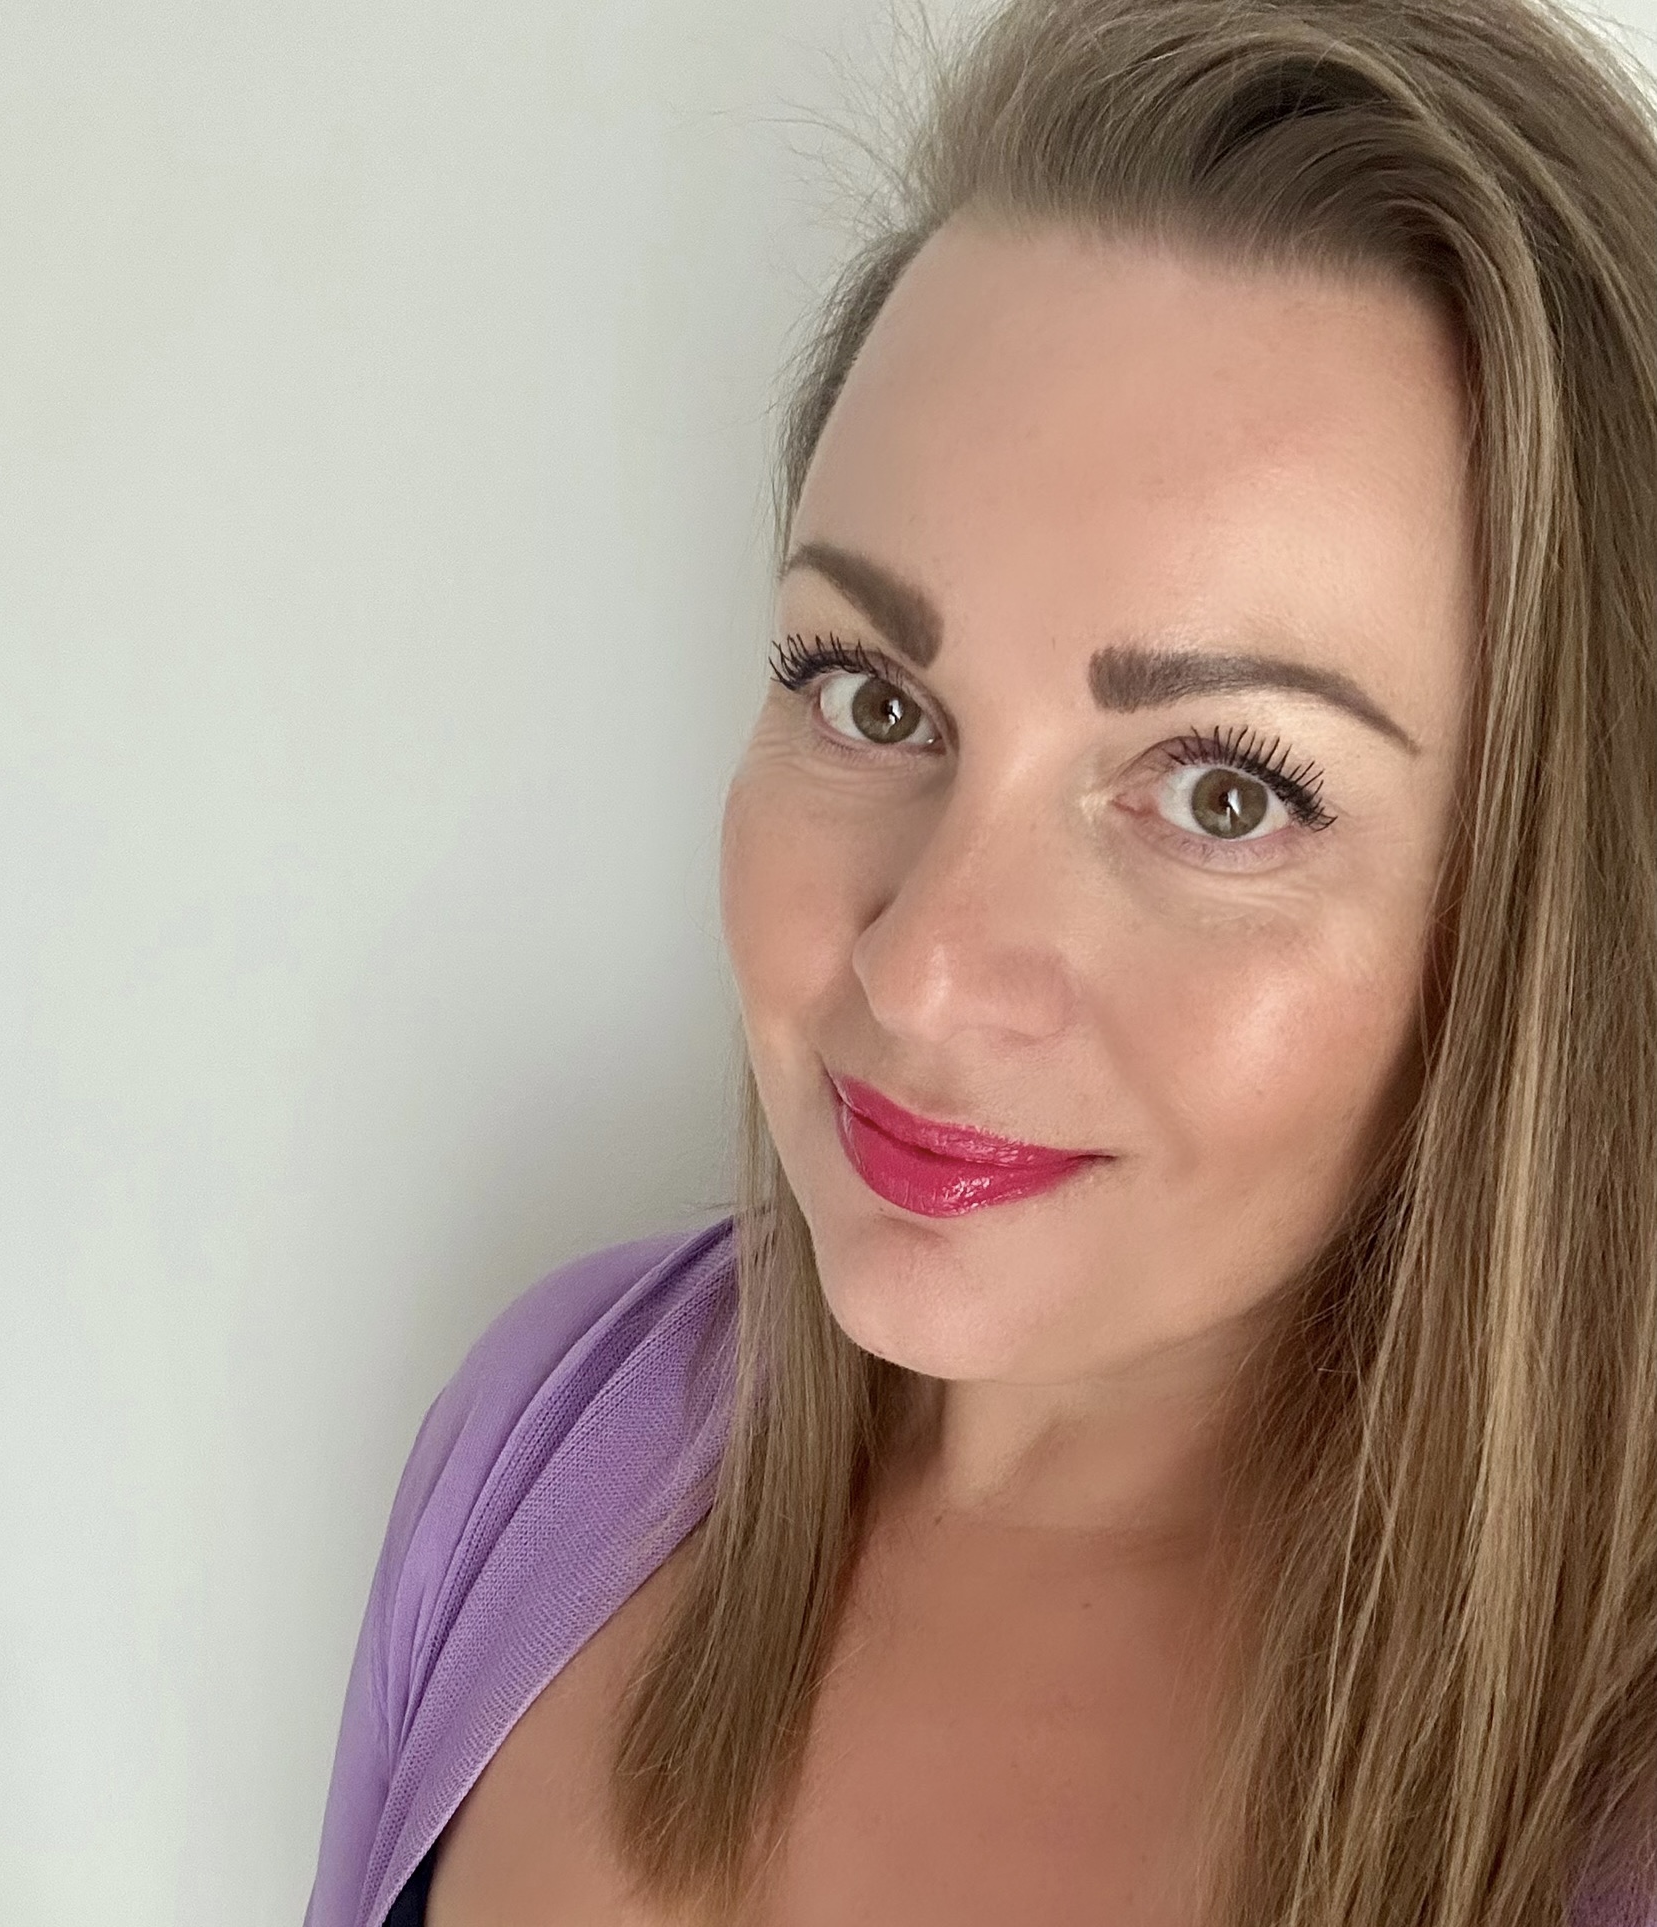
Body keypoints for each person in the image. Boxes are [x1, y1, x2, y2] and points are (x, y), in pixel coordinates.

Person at [304, 0, 1657, 1921]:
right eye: (870, 693)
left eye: (1224, 795)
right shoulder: (546, 1441)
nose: (924, 971)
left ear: (1540, 917)